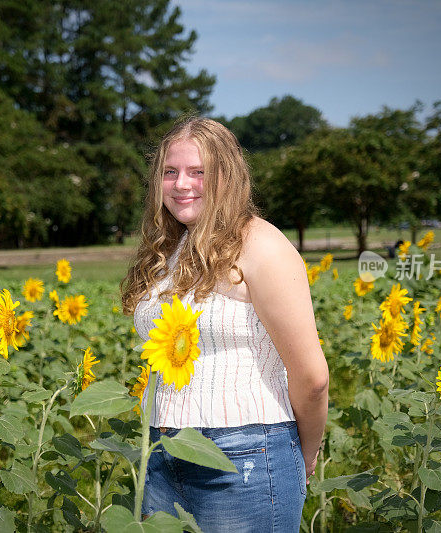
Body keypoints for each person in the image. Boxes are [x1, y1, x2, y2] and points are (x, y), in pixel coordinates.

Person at [121, 117, 329, 532]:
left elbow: (313, 377)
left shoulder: (261, 245)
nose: (182, 184)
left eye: (198, 172)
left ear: (226, 177)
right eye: (170, 172)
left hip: (244, 456)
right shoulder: (171, 246)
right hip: (162, 450)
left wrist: (305, 452)